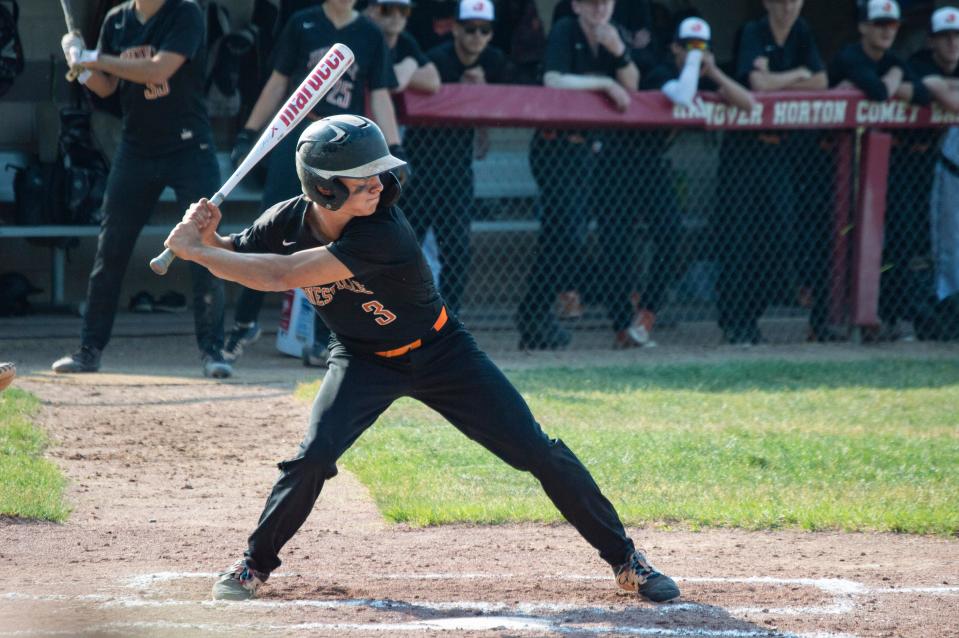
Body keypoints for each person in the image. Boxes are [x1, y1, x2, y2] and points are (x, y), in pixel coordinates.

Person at [162, 114, 681, 604]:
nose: (377, 186)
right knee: (314, 456)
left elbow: (279, 275)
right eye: (361, 179)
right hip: (362, 358)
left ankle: (627, 560)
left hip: (441, 352)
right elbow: (241, 252)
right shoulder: (286, 220)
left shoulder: (384, 229)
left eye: (379, 175)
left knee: (537, 450)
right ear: (323, 187)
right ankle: (253, 565)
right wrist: (208, 237)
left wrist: (198, 252)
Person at [52, 0, 230, 378]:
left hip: (189, 146)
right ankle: (89, 350)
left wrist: (95, 56)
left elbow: (158, 68)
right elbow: (105, 87)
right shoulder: (117, 20)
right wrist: (79, 66)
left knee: (204, 247)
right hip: (136, 148)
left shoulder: (186, 12)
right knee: (110, 249)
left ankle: (214, 351)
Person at [224, 0, 406, 367]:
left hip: (346, 151)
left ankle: (328, 337)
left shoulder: (369, 33)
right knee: (269, 226)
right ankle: (245, 320)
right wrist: (249, 131)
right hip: (298, 137)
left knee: (335, 237)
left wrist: (395, 146)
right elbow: (279, 81)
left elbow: (381, 92)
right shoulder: (302, 23)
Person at [515, 0, 640, 350]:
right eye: (592, 2)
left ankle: (534, 316)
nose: (600, 8)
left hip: (589, 151)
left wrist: (619, 53)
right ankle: (534, 313)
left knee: (563, 234)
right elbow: (553, 79)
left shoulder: (616, 36)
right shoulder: (564, 30)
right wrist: (602, 82)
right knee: (567, 233)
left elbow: (632, 85)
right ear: (578, 5)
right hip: (554, 148)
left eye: (606, 2)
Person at [716, 0, 827, 345]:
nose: (787, 7)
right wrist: (796, 75)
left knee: (780, 236)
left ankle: (751, 313)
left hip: (780, 151)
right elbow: (756, 85)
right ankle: (734, 324)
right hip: (744, 152)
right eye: (780, 1)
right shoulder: (752, 31)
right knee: (737, 239)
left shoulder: (802, 32)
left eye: (793, 1)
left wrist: (775, 79)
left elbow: (822, 81)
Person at [643, 17, 755, 346]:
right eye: (688, 46)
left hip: (656, 163)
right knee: (616, 244)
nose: (696, 53)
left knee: (670, 235)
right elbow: (682, 95)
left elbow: (749, 104)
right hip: (625, 161)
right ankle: (624, 321)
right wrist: (693, 62)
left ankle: (647, 310)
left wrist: (714, 72)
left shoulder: (702, 74)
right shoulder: (660, 70)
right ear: (674, 47)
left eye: (702, 46)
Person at [829, 0, 931, 341]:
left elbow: (922, 95)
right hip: (832, 166)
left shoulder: (893, 61)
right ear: (863, 27)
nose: (887, 30)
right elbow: (875, 93)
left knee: (898, 240)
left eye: (892, 25)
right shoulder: (849, 56)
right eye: (879, 24)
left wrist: (894, 77)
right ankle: (831, 321)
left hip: (883, 168)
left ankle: (890, 315)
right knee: (837, 239)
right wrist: (893, 79)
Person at [404, 0, 509, 316]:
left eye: (484, 30)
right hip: (421, 168)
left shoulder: (494, 61)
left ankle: (448, 322)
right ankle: (396, 318)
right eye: (470, 28)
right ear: (456, 28)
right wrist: (458, 93)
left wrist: (483, 94)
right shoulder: (436, 59)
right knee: (405, 248)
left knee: (458, 252)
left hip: (459, 171)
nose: (477, 36)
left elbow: (520, 93)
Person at [364, 0, 441, 94]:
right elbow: (389, 83)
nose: (397, 16)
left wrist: (406, 69)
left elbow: (434, 81)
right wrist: (410, 65)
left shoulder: (405, 40)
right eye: (387, 9)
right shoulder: (361, 37)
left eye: (404, 10)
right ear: (371, 10)